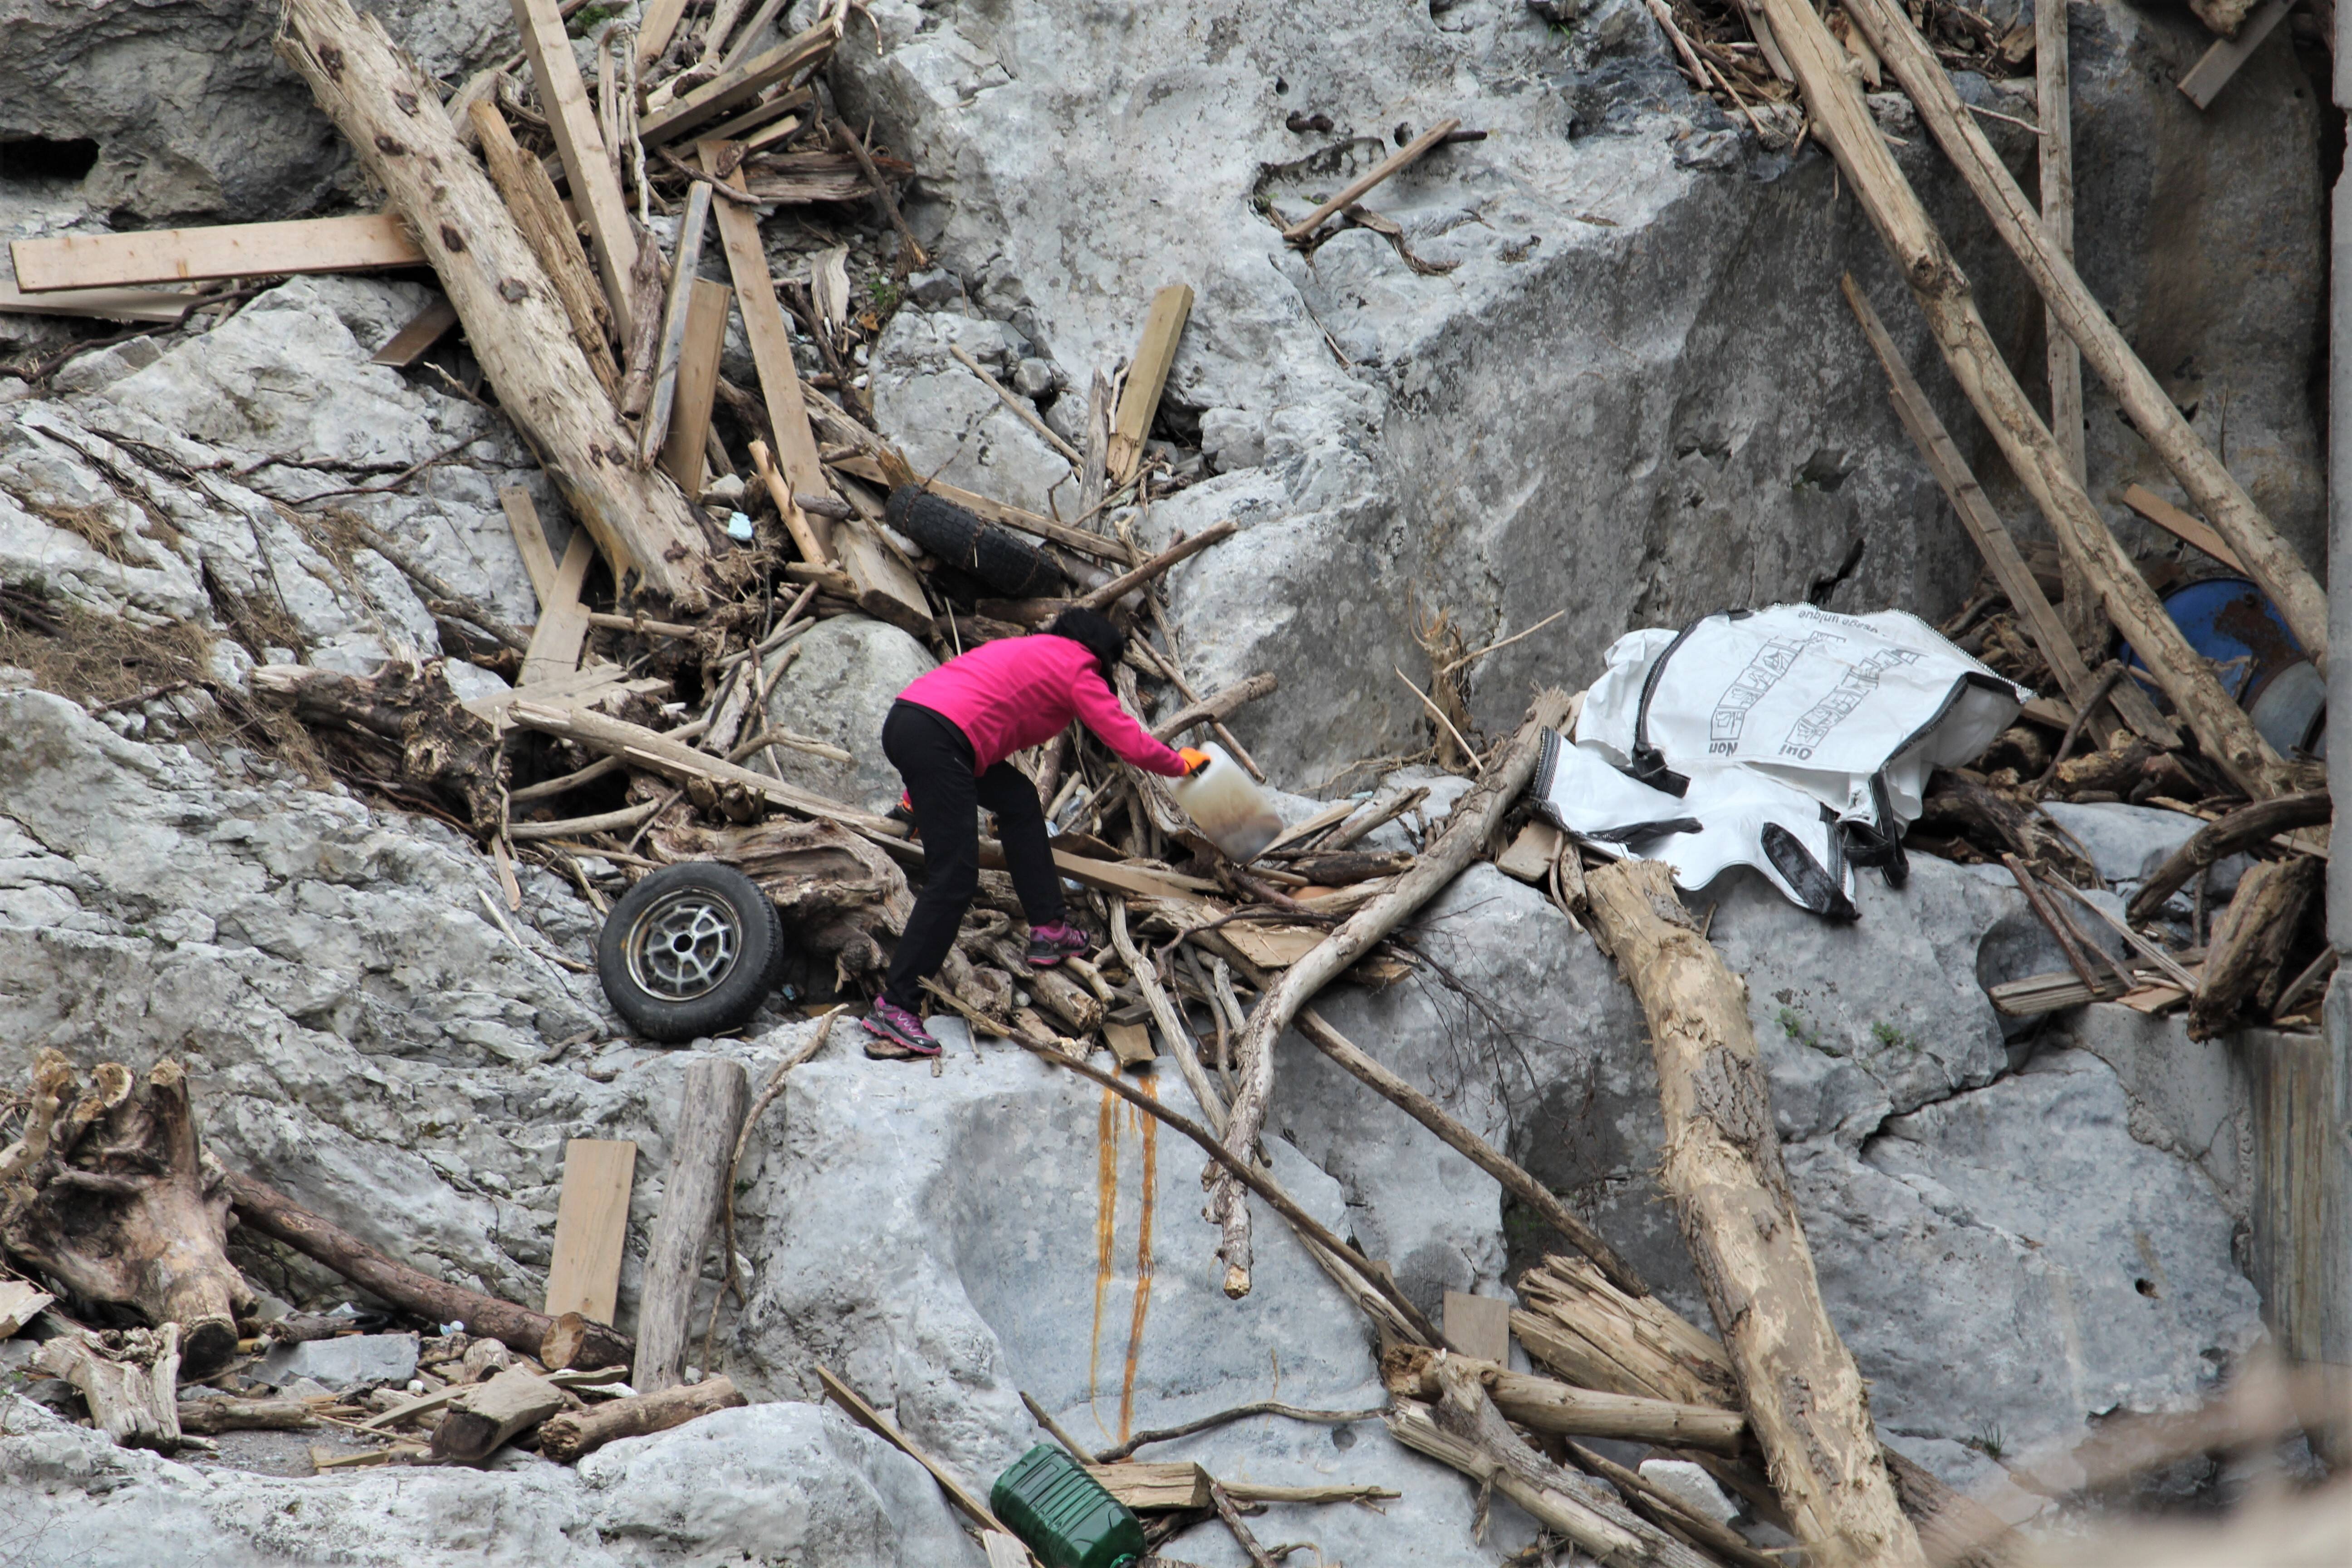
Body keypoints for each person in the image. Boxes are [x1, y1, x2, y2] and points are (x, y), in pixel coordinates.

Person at [863, 607, 1207, 1058]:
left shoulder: (1031, 651)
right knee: (955, 878)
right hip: (938, 741)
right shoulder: (1078, 667)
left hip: (915, 726)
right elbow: (1126, 739)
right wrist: (1180, 764)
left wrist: (919, 796)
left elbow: (965, 702)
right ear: (1102, 656)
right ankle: (896, 1004)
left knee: (1020, 799)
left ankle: (1049, 929)